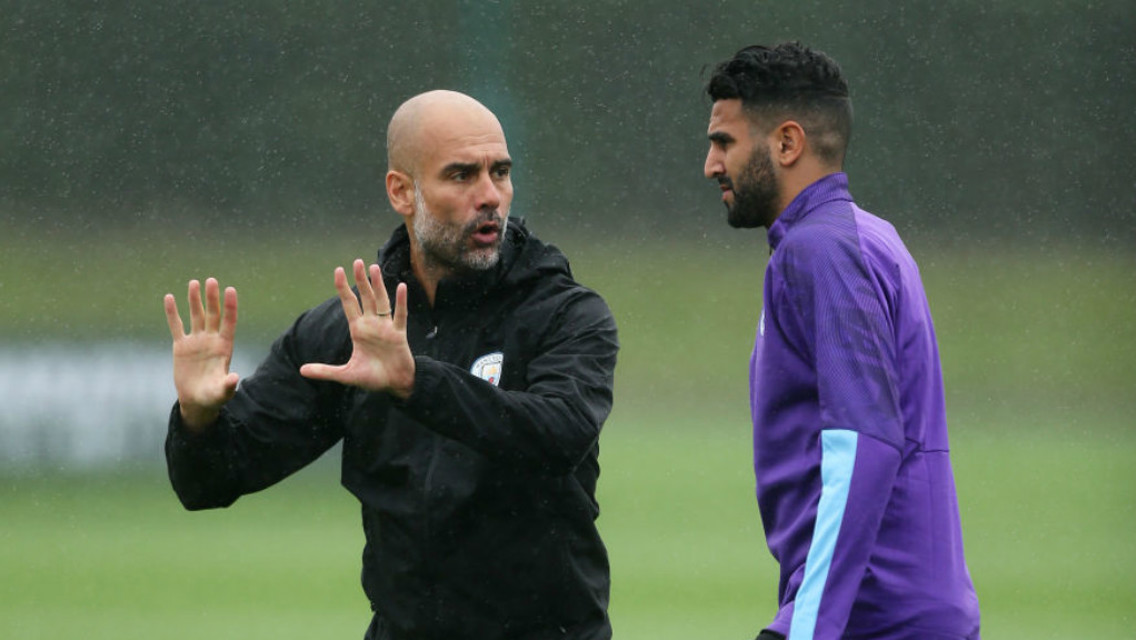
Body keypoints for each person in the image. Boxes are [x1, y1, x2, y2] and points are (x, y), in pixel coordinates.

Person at [162, 90, 619, 640]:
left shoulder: (565, 313)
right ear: (402, 191)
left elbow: (558, 434)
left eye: (500, 172)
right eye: (461, 175)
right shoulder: (346, 332)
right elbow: (210, 481)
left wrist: (414, 382)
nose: (490, 196)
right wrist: (197, 419)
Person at [702, 43, 980, 640]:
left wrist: (805, 626)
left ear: (786, 143)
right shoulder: (863, 237)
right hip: (894, 612)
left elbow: (865, 444)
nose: (710, 164)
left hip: (875, 619)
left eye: (724, 142)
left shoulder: (821, 251)